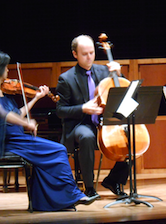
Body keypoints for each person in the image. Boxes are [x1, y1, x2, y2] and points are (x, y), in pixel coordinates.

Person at [0, 50, 99, 211]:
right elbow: (3, 115)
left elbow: (16, 113)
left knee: (52, 154)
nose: (8, 70)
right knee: (59, 150)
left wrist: (36, 98)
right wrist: (26, 123)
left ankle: (46, 202)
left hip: (17, 139)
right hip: (8, 143)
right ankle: (72, 195)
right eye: (6, 67)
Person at [56, 35, 129, 198]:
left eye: (92, 53)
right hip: (80, 124)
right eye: (84, 54)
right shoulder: (66, 79)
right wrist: (83, 108)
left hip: (106, 122)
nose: (89, 57)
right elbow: (60, 110)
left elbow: (122, 92)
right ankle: (89, 187)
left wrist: (120, 74)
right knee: (87, 136)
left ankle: (114, 180)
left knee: (130, 135)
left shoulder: (104, 71)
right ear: (75, 54)